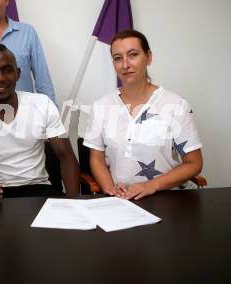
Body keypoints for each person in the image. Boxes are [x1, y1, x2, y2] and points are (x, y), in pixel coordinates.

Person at [83, 29, 203, 200]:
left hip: (168, 199)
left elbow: (194, 163)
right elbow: (97, 160)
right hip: (121, 200)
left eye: (133, 55)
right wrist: (110, 190)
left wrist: (150, 186)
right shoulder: (100, 107)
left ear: (149, 57)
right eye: (118, 58)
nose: (125, 64)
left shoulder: (176, 104)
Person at [0, 44, 79, 201]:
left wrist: (75, 205)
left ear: (18, 74)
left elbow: (66, 157)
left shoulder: (42, 104)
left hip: (39, 191)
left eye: (7, 70)